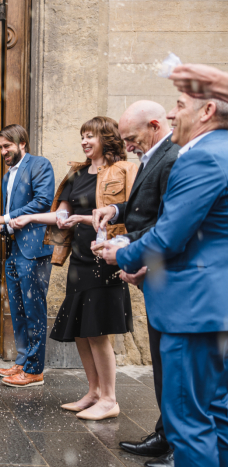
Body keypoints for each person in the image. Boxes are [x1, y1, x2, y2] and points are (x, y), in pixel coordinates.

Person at [103, 94, 228, 467]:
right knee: (215, 411)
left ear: (207, 111)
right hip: (210, 301)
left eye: (180, 104)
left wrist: (122, 253)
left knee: (189, 417)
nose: (172, 113)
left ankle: (176, 448)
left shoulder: (199, 156)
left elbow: (172, 233)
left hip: (190, 304)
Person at [9, 116, 136, 421]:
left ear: (107, 138)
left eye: (90, 136)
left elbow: (130, 212)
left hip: (104, 259)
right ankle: (93, 392)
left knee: (98, 331)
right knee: (81, 330)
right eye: (82, 136)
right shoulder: (76, 175)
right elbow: (61, 215)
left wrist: (78, 219)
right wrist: (31, 218)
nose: (84, 141)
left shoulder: (125, 170)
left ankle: (109, 398)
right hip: (78, 260)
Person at [91, 101, 179, 467]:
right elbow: (144, 205)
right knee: (161, 364)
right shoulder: (153, 155)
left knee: (173, 369)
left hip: (169, 275)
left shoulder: (173, 158)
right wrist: (116, 210)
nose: (127, 146)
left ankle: (178, 447)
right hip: (157, 274)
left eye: (131, 138)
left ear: (155, 126)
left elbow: (168, 223)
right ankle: (165, 433)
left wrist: (124, 245)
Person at [0, 124, 55, 388]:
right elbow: (14, 217)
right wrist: (0, 226)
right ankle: (23, 361)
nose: (3, 152)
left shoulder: (39, 165)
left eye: (7, 146)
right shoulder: (7, 176)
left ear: (22, 143)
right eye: (0, 148)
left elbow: (42, 202)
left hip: (35, 250)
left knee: (34, 308)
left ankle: (35, 370)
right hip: (14, 248)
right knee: (18, 308)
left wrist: (4, 217)